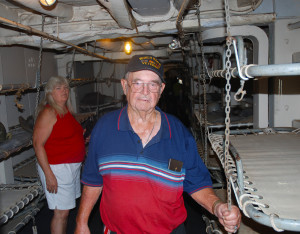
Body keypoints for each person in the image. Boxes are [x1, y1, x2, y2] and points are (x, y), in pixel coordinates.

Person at [75, 55, 241, 234]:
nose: (145, 91)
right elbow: (93, 180)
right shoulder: (104, 129)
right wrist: (81, 222)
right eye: (137, 83)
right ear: (124, 86)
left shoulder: (178, 133)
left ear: (161, 89)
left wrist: (217, 207)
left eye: (152, 84)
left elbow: (197, 183)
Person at [33, 76, 86, 234]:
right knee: (60, 213)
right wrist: (49, 174)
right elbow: (37, 144)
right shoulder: (49, 112)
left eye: (66, 88)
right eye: (59, 88)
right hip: (57, 169)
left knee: (65, 211)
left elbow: (63, 135)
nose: (64, 90)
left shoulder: (65, 110)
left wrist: (81, 138)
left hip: (69, 168)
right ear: (50, 93)